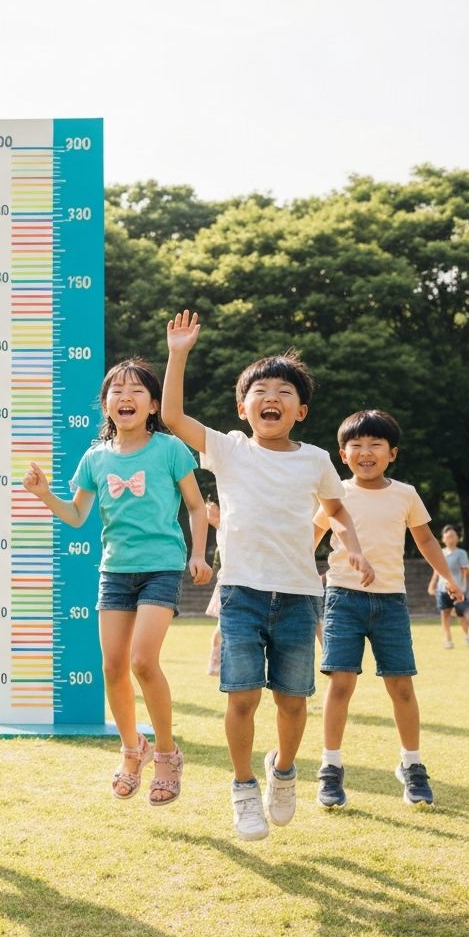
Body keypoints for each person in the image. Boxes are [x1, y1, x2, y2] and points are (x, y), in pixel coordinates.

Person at [163, 311, 372, 841]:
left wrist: (354, 549)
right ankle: (243, 788)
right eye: (260, 389)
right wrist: (179, 353)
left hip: (301, 596)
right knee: (241, 697)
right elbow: (172, 417)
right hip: (241, 593)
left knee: (293, 701)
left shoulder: (318, 460)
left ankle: (283, 771)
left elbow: (338, 510)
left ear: (299, 411)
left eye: (283, 391)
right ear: (243, 406)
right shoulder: (229, 449)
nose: (270, 396)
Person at [24, 357, 211, 806]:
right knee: (112, 667)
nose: (125, 398)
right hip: (114, 571)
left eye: (136, 391)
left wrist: (200, 553)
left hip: (162, 565)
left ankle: (166, 752)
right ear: (105, 404)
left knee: (143, 662)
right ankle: (133, 749)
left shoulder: (169, 450)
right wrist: (45, 493)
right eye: (116, 391)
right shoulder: (95, 457)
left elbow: (197, 506)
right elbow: (76, 515)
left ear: (151, 405)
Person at [314, 410, 466, 809]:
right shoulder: (335, 493)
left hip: (391, 602)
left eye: (375, 444)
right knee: (341, 684)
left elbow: (427, 542)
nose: (366, 452)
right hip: (343, 599)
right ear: (342, 454)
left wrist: (449, 578)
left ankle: (412, 765)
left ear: (392, 453)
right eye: (357, 445)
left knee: (401, 686)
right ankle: (330, 768)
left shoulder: (405, 494)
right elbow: (308, 538)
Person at [427, 525, 469, 649]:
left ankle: (468, 636)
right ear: (443, 539)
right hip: (442, 589)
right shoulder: (440, 552)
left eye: (453, 535)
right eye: (448, 535)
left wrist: (464, 587)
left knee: (461, 614)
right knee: (444, 614)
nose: (451, 537)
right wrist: (432, 585)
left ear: (457, 538)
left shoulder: (461, 553)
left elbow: (466, 571)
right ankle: (448, 639)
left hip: (457, 589)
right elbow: (436, 571)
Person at [203, 499, 222, 676]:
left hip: (230, 583)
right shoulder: (220, 531)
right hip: (223, 583)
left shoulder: (226, 529)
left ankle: (218, 664)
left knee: (222, 629)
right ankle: (215, 664)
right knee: (220, 629)